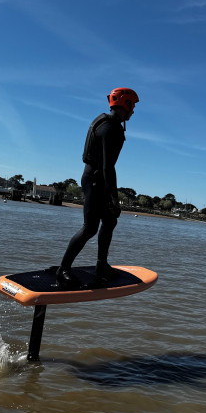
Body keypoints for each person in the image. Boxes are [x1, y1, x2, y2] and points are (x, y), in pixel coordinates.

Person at [56, 87, 139, 288]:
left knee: (109, 221)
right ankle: (63, 269)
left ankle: (102, 266)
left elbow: (107, 166)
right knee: (90, 227)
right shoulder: (110, 128)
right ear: (125, 105)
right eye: (133, 106)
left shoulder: (107, 123)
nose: (134, 111)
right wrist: (113, 197)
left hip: (96, 178)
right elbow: (107, 167)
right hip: (95, 179)